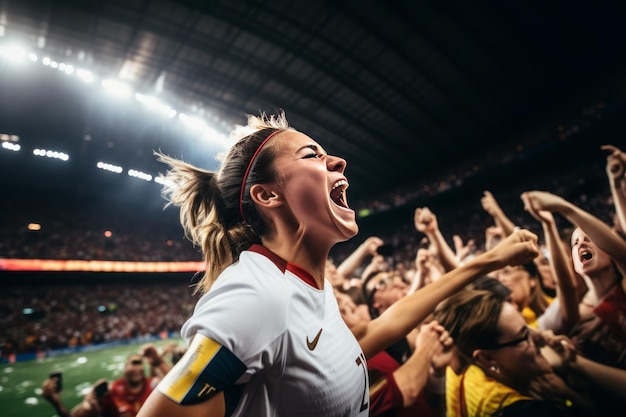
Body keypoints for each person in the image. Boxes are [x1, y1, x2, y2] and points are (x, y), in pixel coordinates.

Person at [135, 111, 539, 417]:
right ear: (269, 196)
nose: (339, 162)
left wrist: (487, 261)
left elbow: (382, 328)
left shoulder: (304, 282)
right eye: (313, 154)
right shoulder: (257, 294)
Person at [432, 289, 593, 417]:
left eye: (529, 326)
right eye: (524, 335)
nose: (539, 336)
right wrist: (574, 373)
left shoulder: (463, 367)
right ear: (486, 358)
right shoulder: (527, 412)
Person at [41, 352, 162, 417]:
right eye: (133, 363)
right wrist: (56, 402)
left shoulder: (155, 385)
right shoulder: (109, 391)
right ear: (124, 368)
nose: (136, 367)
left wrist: (157, 363)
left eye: (139, 363)